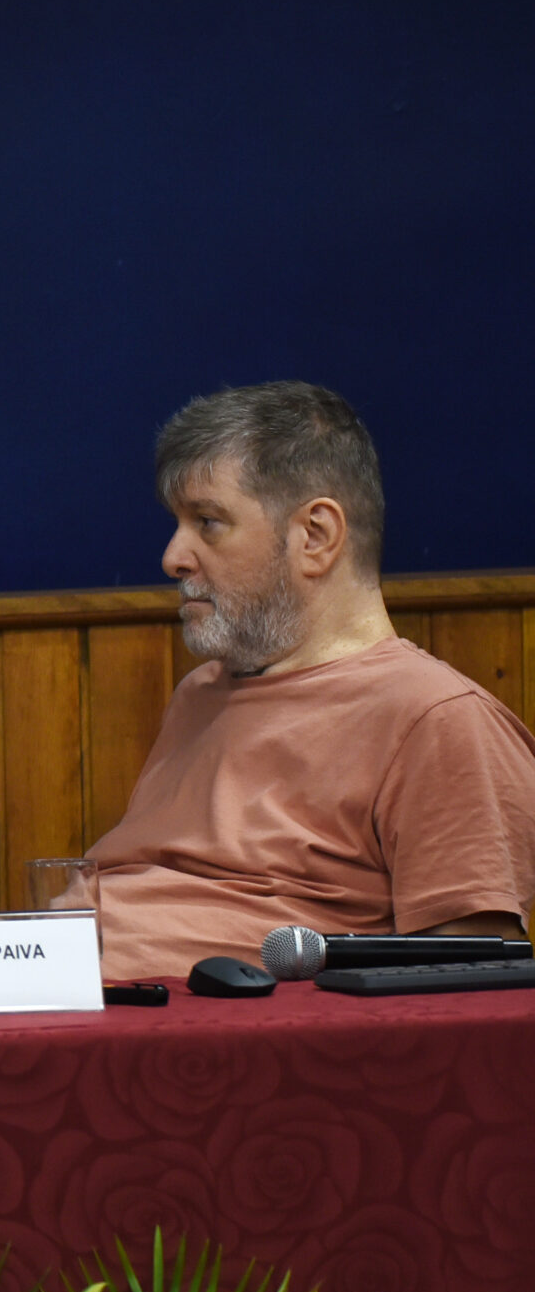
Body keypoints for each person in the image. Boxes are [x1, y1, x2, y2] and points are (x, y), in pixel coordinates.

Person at [88, 382, 535, 979]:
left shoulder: (437, 717)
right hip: (64, 1001)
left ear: (316, 536)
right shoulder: (201, 693)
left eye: (208, 521)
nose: (173, 556)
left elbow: (472, 993)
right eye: (178, 523)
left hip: (211, 1051)